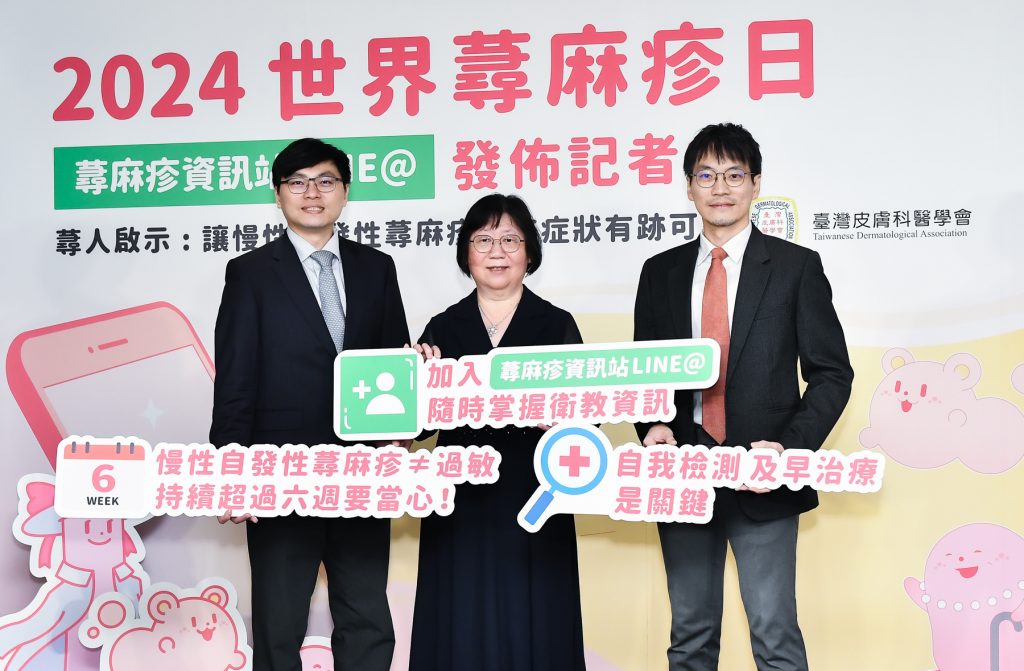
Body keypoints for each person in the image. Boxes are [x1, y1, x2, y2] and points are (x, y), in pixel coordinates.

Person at [633, 123, 853, 671]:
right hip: (683, 474)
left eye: (734, 175)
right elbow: (644, 376)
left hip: (765, 474)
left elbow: (832, 373)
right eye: (707, 175)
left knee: (774, 635)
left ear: (756, 184)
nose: (721, 188)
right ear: (689, 186)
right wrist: (653, 426)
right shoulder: (659, 273)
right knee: (689, 636)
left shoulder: (796, 267)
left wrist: (789, 450)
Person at [210, 137, 409, 671]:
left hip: (362, 471)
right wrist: (232, 469)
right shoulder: (250, 273)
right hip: (279, 472)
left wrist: (400, 438)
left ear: (345, 191)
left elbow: (394, 364)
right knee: (279, 624)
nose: (312, 193)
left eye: (325, 181)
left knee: (367, 617)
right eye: (297, 182)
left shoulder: (377, 267)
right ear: (278, 195)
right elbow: (235, 380)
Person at [408, 193, 587, 671]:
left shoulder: (556, 325)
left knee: (537, 621)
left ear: (529, 252)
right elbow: (418, 428)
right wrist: (417, 380)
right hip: (459, 497)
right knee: (459, 620)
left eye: (510, 240)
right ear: (466, 253)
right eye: (483, 240)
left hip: (535, 498)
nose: (497, 252)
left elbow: (582, 422)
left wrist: (562, 420)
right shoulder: (443, 327)